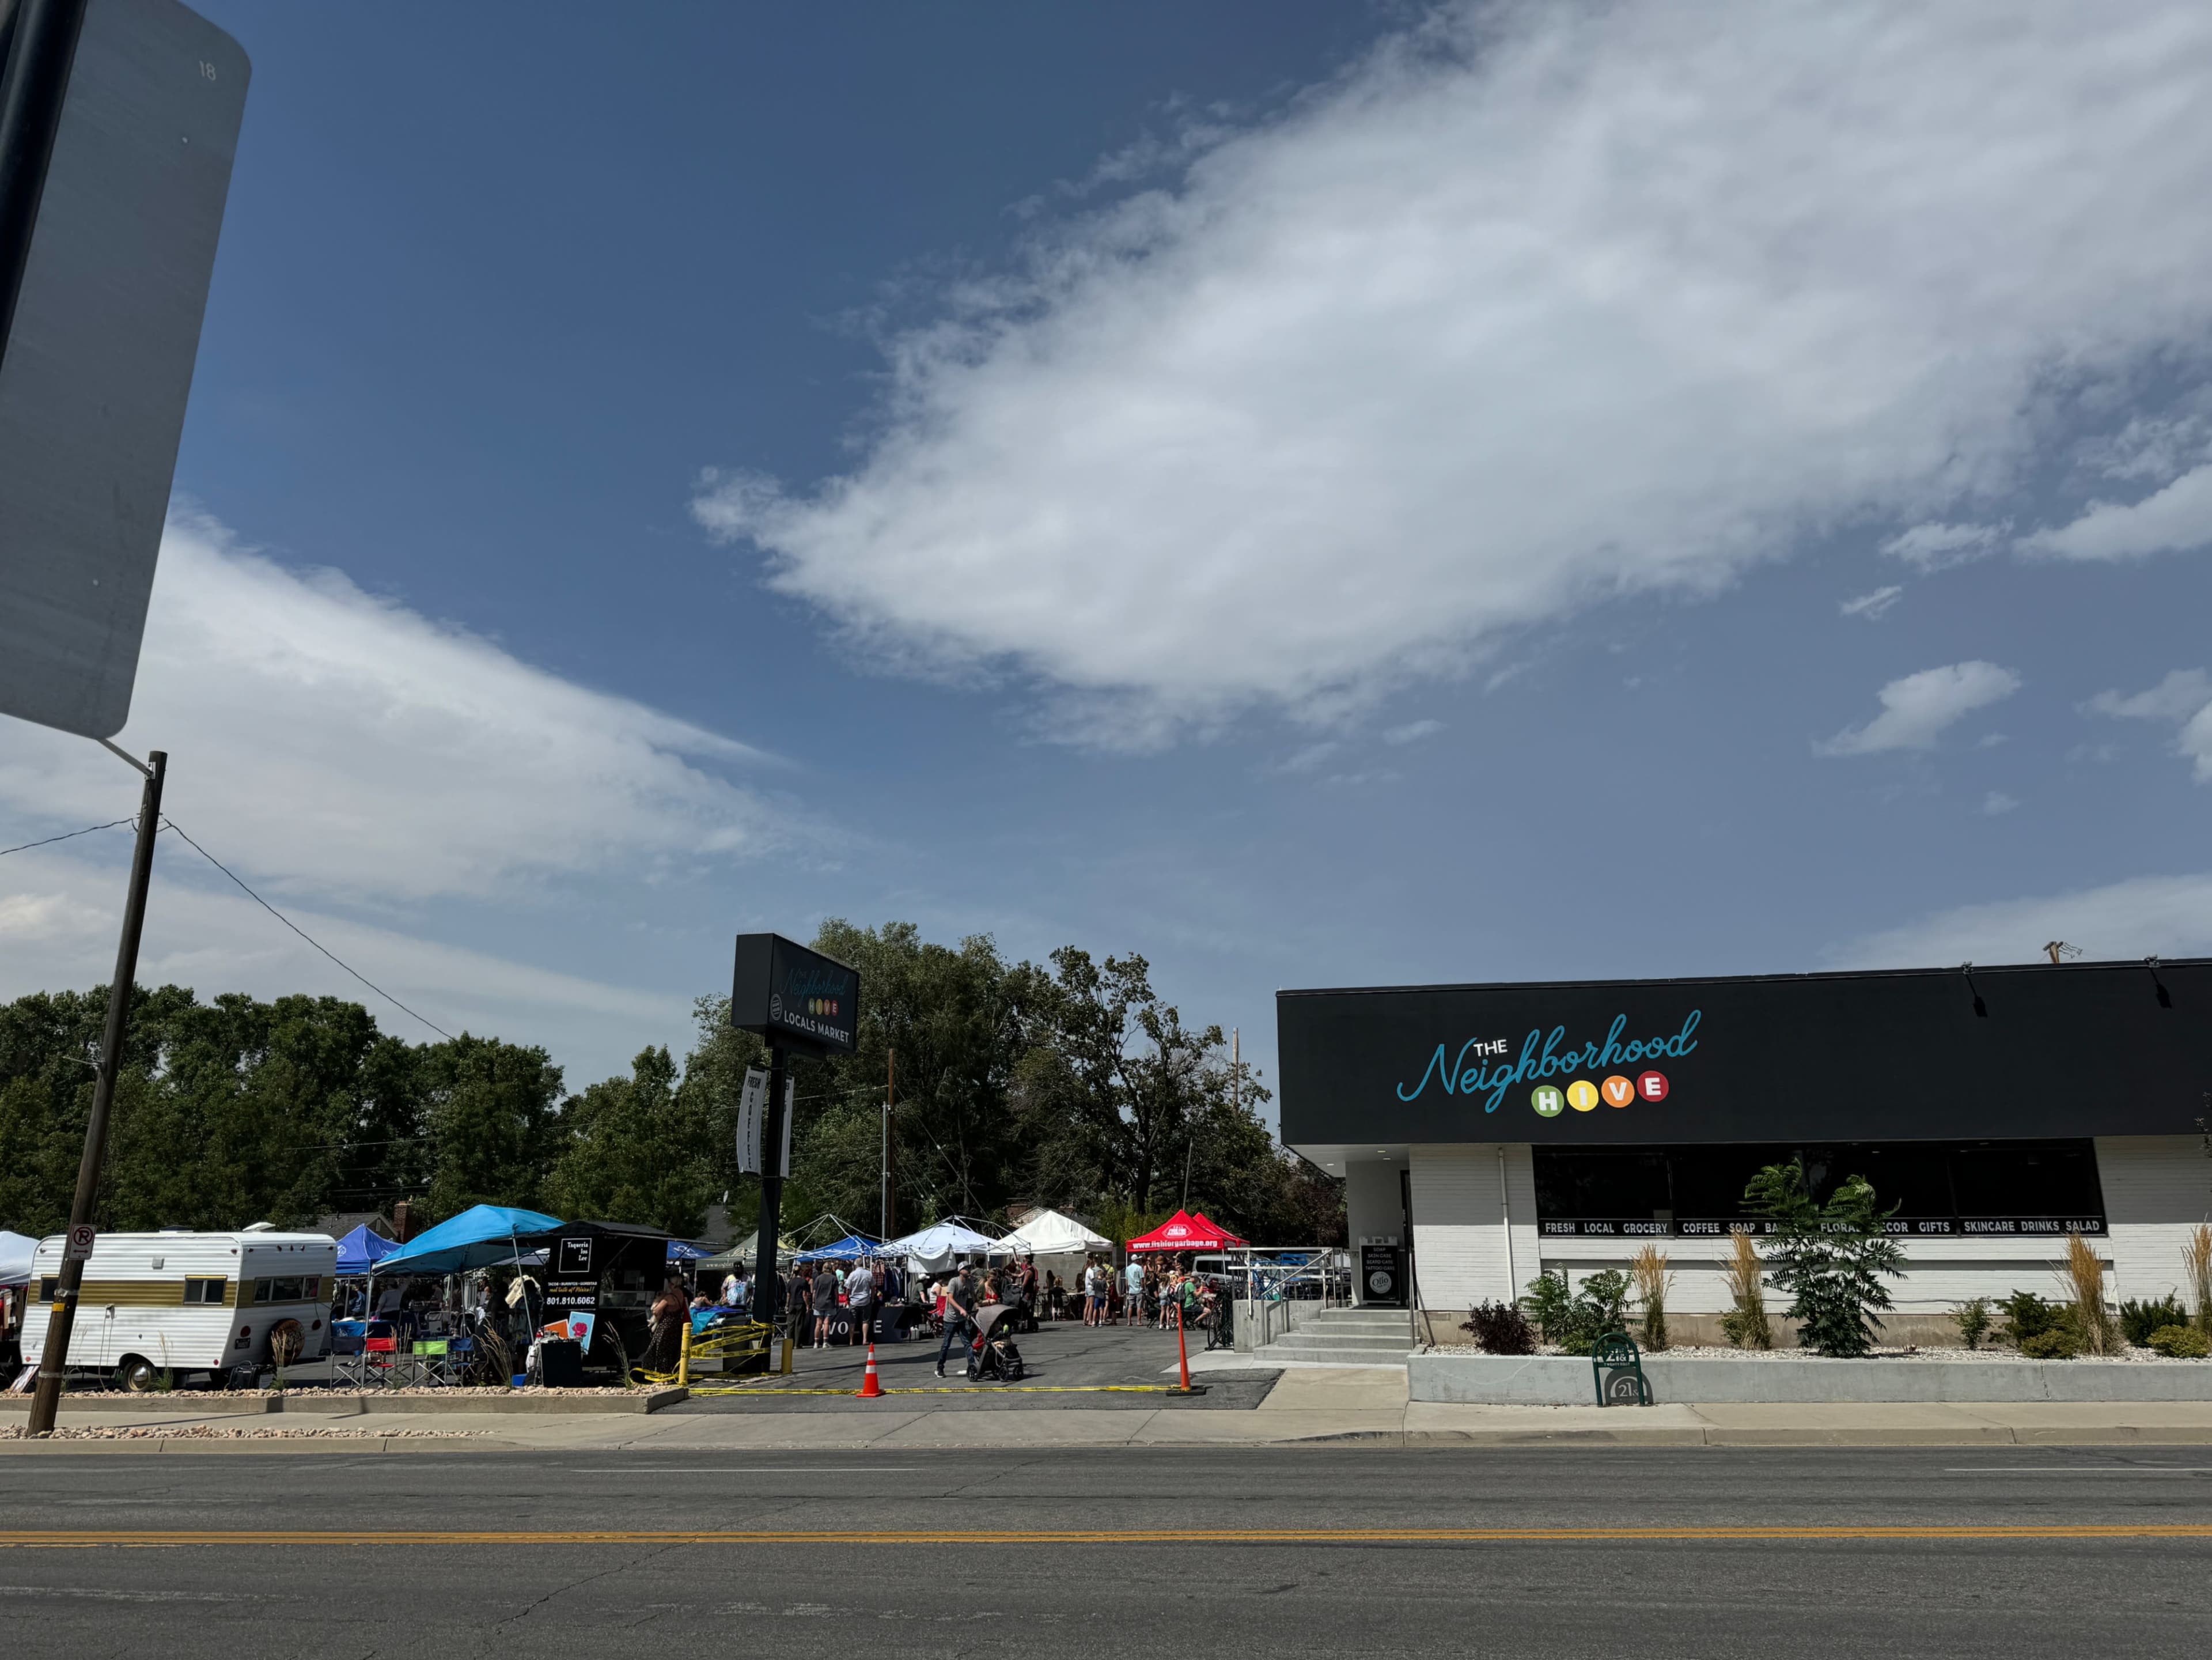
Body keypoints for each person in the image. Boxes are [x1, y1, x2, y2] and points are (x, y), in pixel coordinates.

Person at [936, 1265, 979, 1378]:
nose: (969, 1270)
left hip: (961, 1320)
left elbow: (974, 1295)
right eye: (966, 1268)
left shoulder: (969, 1283)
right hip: (950, 1319)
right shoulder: (954, 1282)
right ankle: (940, 1368)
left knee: (968, 1343)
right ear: (960, 1271)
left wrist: (977, 1305)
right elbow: (950, 1299)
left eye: (969, 1268)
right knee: (946, 1345)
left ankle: (972, 1366)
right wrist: (961, 1309)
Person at [846, 1260, 876, 1347]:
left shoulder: (852, 1274)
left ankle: (851, 1341)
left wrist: (847, 1298)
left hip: (854, 1301)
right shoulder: (868, 1274)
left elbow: (848, 1288)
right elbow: (873, 1287)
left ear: (855, 1265)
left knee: (852, 1322)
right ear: (863, 1265)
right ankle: (865, 1339)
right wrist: (873, 1298)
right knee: (865, 1321)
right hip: (865, 1300)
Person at [810, 1261, 839, 1348]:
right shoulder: (834, 1278)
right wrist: (837, 1302)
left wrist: (813, 1302)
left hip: (819, 1302)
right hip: (829, 1302)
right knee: (826, 1323)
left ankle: (816, 1342)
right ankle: (825, 1342)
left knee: (818, 1324)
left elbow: (814, 1292)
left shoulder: (818, 1278)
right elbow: (836, 1292)